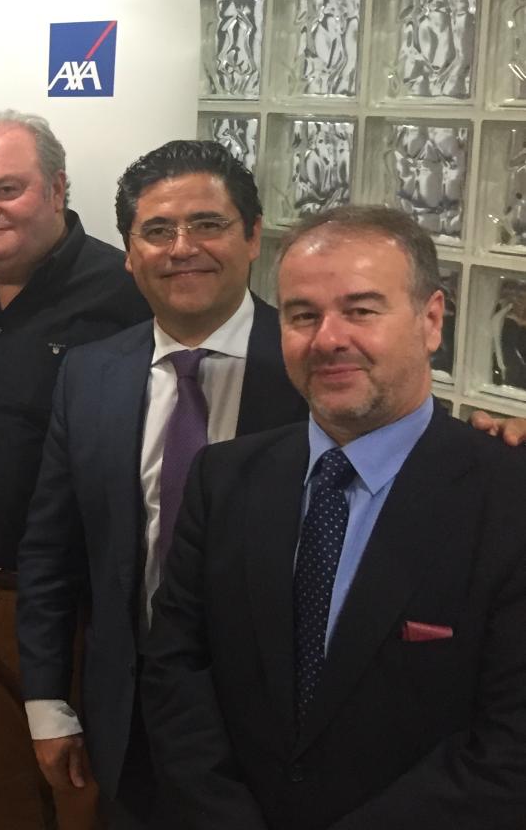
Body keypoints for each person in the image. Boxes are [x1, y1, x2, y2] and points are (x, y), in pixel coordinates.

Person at [142, 206, 526, 829]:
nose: (327, 339)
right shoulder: (225, 478)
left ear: (431, 321)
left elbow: (509, 746)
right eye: (302, 315)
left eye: (361, 310)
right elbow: (178, 671)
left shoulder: (507, 498)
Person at [15, 141, 304, 828]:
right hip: (132, 722)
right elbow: (51, 554)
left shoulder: (313, 371)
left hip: (280, 732)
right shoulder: (89, 375)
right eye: (157, 230)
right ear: (128, 251)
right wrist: (49, 704)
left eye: (208, 224)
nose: (183, 248)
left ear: (254, 235)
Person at [0, 109, 149, 828]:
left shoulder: (124, 291)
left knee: (86, 802)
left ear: (56, 188)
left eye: (5, 189)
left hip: (77, 606)